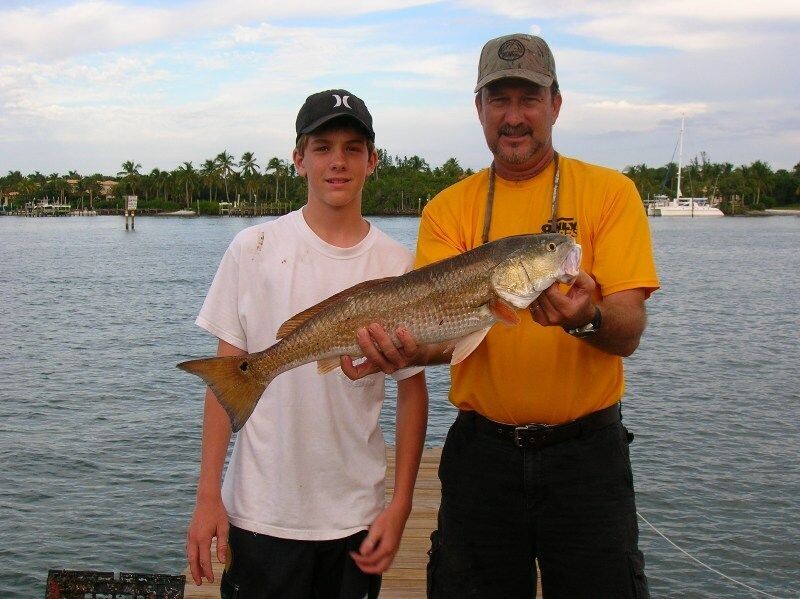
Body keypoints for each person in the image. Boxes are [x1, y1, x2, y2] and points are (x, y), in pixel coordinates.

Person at [341, 34, 660, 598]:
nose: (514, 117)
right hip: (481, 458)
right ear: (479, 108)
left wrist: (586, 316)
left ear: (555, 104)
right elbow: (445, 337)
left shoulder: (611, 193)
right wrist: (403, 351)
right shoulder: (448, 208)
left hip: (587, 459)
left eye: (529, 99)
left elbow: (629, 327)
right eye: (499, 100)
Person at [185, 89, 429, 599]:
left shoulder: (397, 264)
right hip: (262, 512)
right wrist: (209, 494)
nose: (337, 161)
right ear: (298, 159)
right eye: (321, 147)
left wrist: (400, 503)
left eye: (352, 147)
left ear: (373, 160)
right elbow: (225, 382)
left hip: (356, 514)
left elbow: (412, 392)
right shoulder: (252, 247)